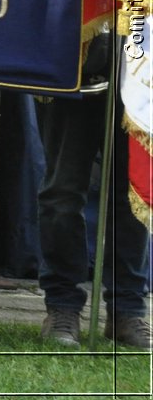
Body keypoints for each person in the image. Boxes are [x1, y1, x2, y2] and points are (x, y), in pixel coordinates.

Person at [36, 52, 151, 350]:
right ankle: (63, 306)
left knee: (134, 192)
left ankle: (127, 309)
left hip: (142, 59)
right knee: (63, 191)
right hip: (76, 52)